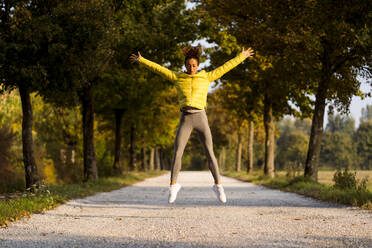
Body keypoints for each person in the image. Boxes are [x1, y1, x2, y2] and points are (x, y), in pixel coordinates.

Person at [130, 45, 254, 203]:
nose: (191, 68)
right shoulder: (177, 77)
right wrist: (142, 60)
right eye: (189, 65)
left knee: (210, 153)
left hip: (201, 117)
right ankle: (173, 186)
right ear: (185, 65)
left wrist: (242, 56)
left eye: (194, 65)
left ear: (198, 65)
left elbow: (225, 67)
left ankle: (218, 186)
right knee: (177, 152)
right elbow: (159, 69)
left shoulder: (206, 77)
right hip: (186, 118)